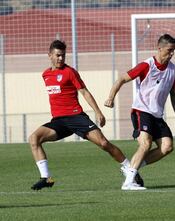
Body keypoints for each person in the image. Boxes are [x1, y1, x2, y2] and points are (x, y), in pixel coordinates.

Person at [29, 40, 142, 190]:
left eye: (63, 55)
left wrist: (98, 112)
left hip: (76, 117)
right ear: (49, 55)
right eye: (57, 55)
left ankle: (130, 169)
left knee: (104, 144)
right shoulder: (46, 75)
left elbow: (84, 92)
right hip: (59, 121)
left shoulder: (70, 72)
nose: (61, 59)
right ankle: (46, 178)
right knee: (34, 139)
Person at [105, 34, 175, 190]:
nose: (171, 54)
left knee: (167, 147)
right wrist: (110, 97)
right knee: (145, 144)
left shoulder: (173, 70)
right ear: (159, 48)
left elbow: (174, 94)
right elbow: (121, 79)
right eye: (169, 50)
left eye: (173, 51)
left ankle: (132, 168)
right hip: (141, 110)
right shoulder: (146, 65)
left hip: (157, 114)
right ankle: (128, 182)